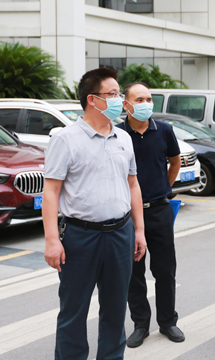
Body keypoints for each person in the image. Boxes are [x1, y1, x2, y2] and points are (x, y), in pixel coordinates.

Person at [42, 68, 146, 360]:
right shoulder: (66, 139)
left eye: (119, 94)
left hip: (120, 234)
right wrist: (52, 240)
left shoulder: (124, 138)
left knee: (115, 309)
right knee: (73, 312)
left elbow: (133, 185)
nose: (120, 100)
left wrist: (139, 231)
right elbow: (50, 192)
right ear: (92, 99)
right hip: (79, 237)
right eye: (112, 94)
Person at [116, 82, 185, 348]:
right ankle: (140, 324)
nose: (146, 103)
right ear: (126, 104)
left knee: (165, 270)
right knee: (134, 272)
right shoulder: (118, 133)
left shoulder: (164, 130)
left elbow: (175, 160)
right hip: (127, 214)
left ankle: (168, 322)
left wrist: (165, 187)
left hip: (159, 209)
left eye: (149, 98)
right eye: (139, 99)